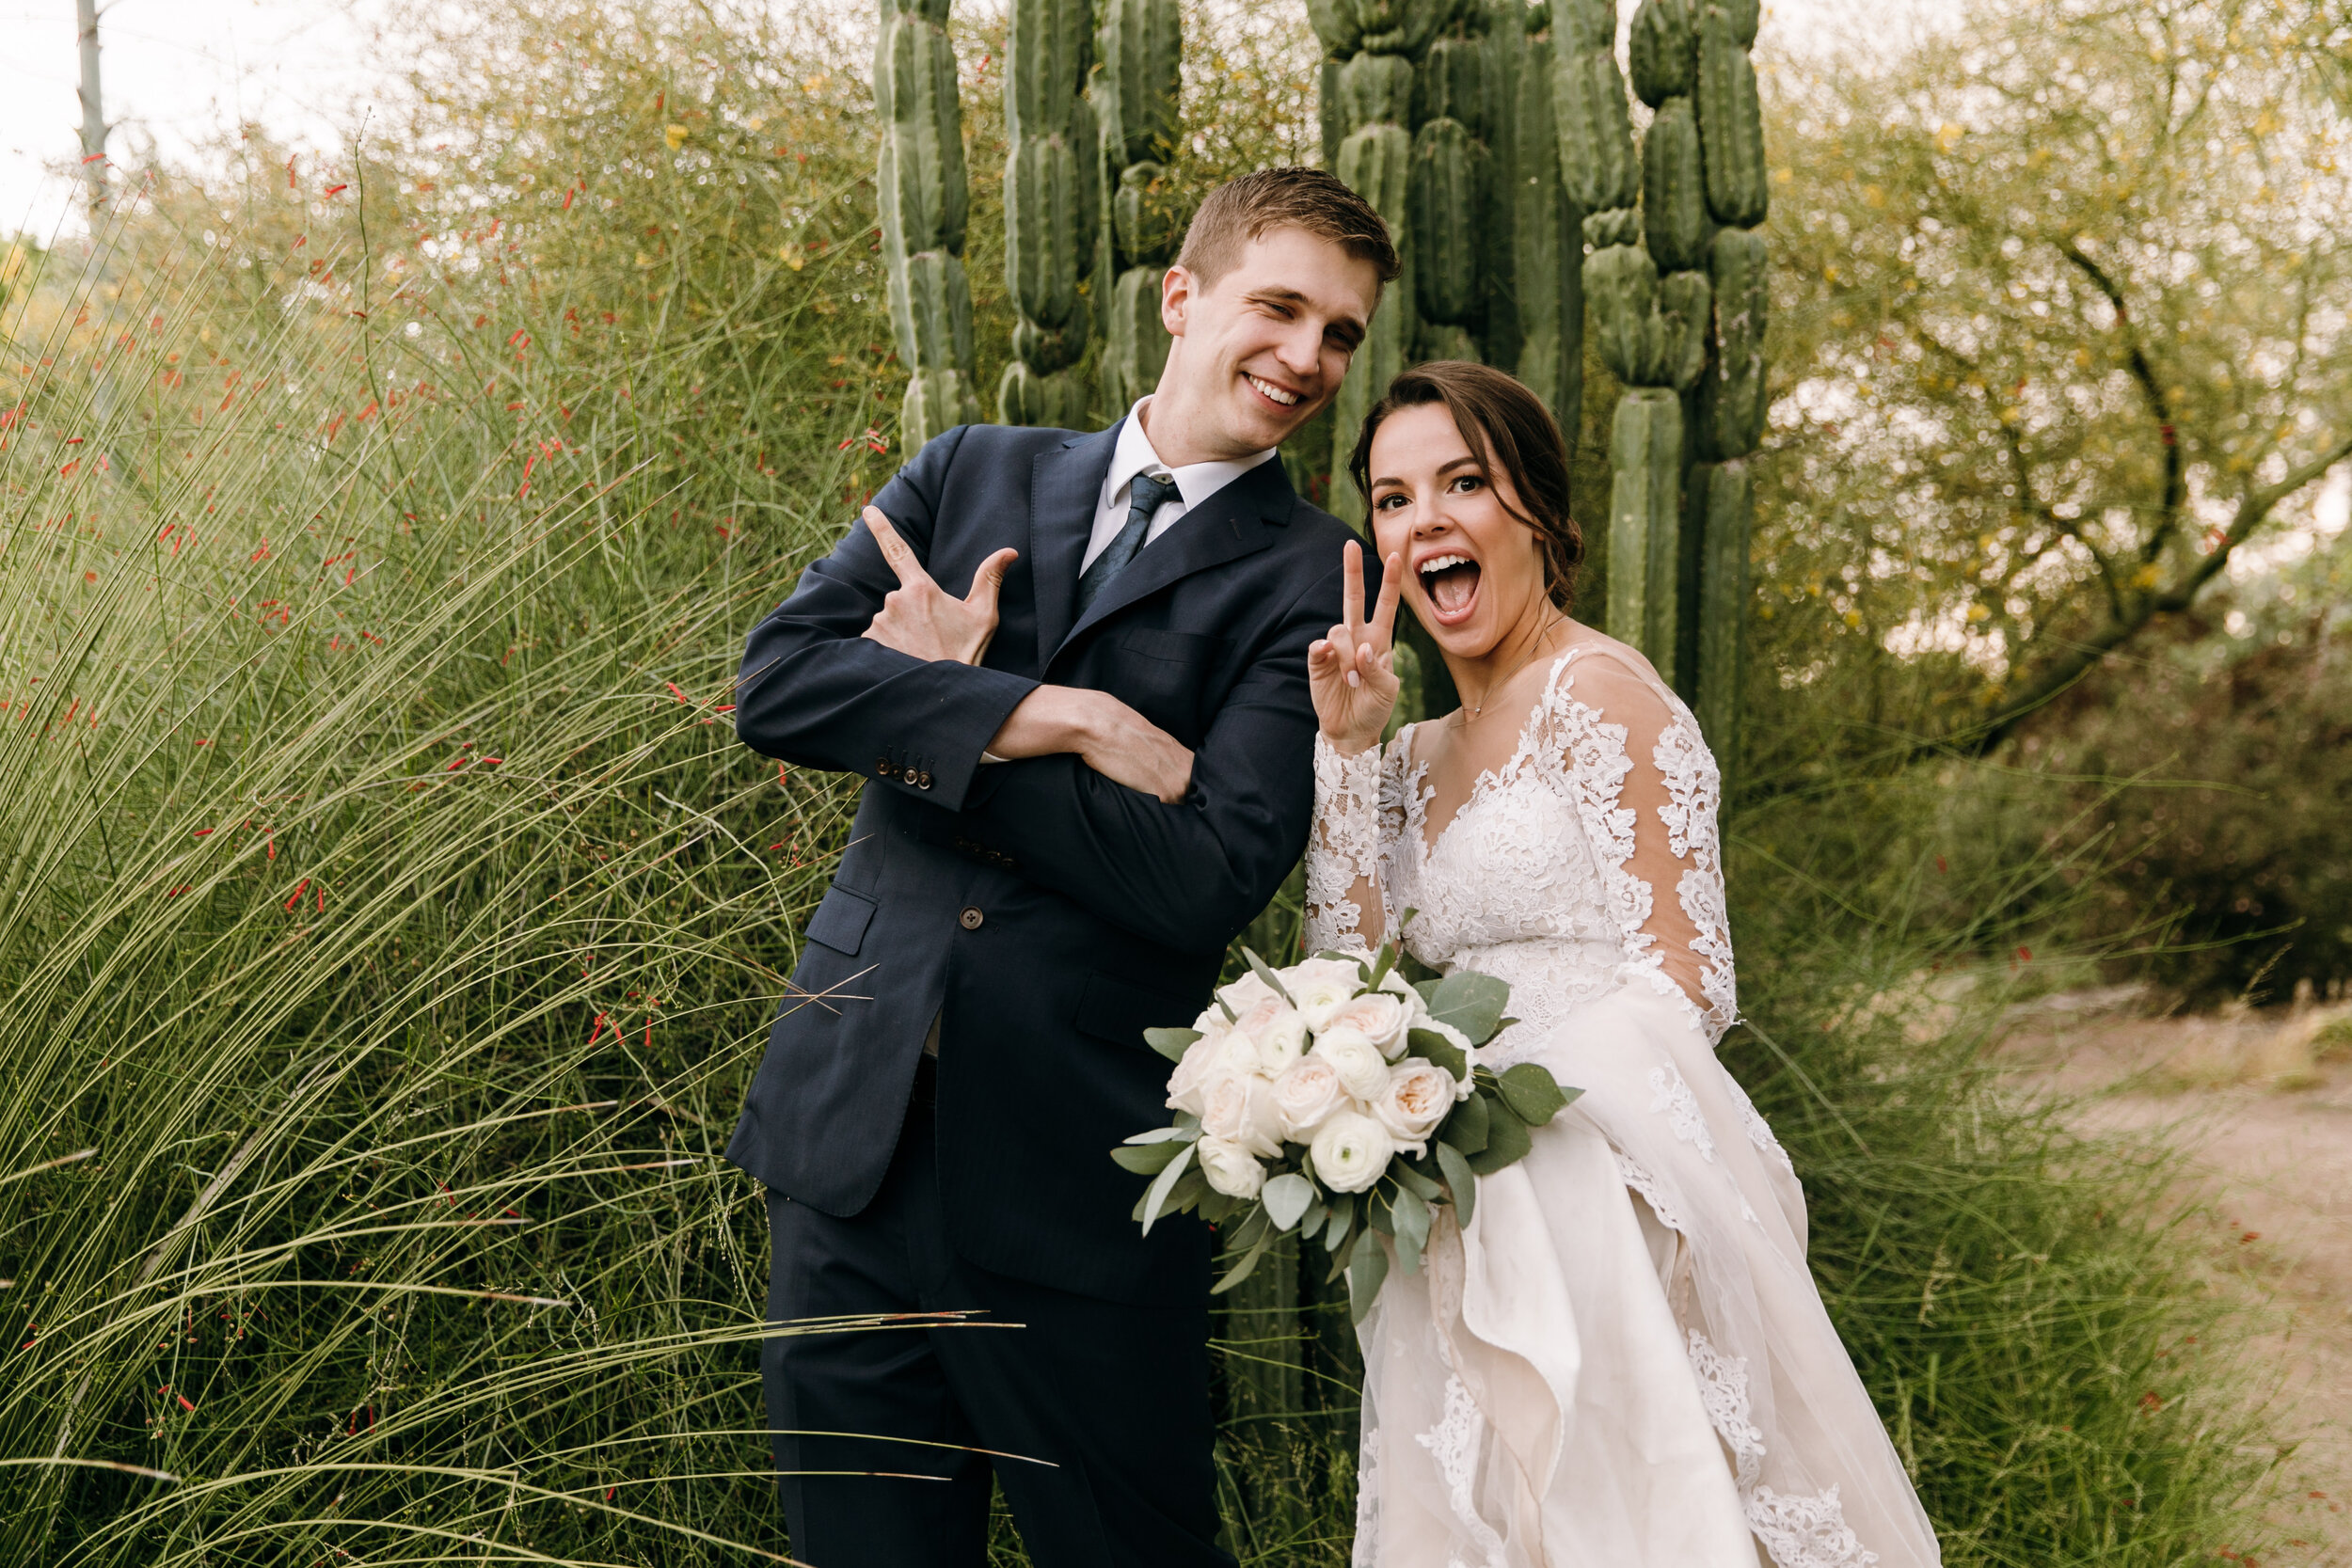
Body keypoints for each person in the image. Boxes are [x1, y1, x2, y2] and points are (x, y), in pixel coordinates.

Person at [723, 167, 1396, 1568]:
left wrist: (935, 712)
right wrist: (1061, 717)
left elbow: (1200, 873)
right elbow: (779, 686)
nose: (1308, 359)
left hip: (1078, 1186)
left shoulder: (1313, 574)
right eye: (1279, 308)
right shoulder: (969, 466)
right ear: (1181, 296)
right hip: (845, 1150)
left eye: (1340, 333)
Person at [1305, 360, 1943, 1567]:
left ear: (1538, 510)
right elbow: (1347, 979)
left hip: (1606, 1194)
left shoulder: (1603, 695)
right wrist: (1347, 751)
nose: (1423, 520)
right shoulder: (1407, 748)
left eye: (1463, 482)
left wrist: (1502, 1104)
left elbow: (1689, 979)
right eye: (1392, 499)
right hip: (1454, 1202)